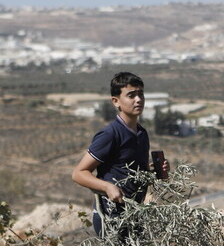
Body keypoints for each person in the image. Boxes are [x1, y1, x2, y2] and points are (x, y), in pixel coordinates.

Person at [72, 72, 169, 236]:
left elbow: (133, 170)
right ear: (116, 101)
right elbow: (78, 173)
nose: (138, 100)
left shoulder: (142, 133)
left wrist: (155, 171)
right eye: (131, 95)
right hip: (111, 218)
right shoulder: (110, 135)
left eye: (141, 94)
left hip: (134, 215)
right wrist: (108, 187)